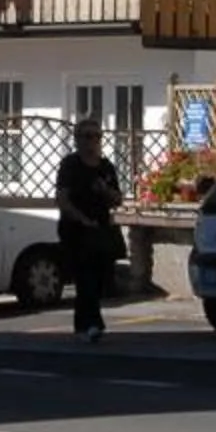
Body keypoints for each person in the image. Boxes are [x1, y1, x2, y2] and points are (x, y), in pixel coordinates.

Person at [54, 115, 126, 343]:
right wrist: (82, 219)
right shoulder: (70, 165)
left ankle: (84, 324)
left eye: (96, 136)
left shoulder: (106, 167)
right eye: (87, 136)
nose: (92, 141)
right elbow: (63, 199)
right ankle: (91, 324)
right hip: (76, 229)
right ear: (77, 139)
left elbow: (117, 199)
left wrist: (105, 190)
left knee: (97, 279)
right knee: (84, 278)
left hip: (100, 230)